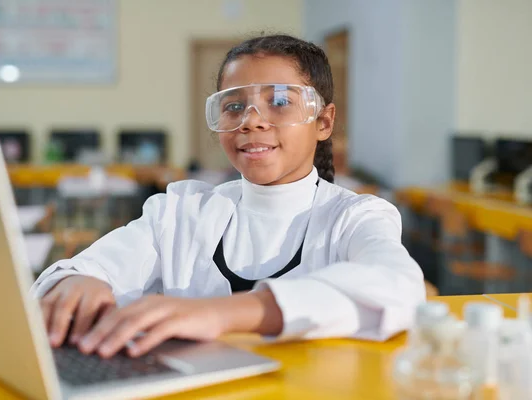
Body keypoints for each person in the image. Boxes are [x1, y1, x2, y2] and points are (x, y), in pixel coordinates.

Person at [32, 34, 425, 359]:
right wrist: (76, 282)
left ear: (323, 122)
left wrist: (223, 314)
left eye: (281, 102)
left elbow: (399, 286)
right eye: (234, 106)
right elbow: (84, 271)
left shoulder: (354, 215)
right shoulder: (180, 212)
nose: (251, 120)